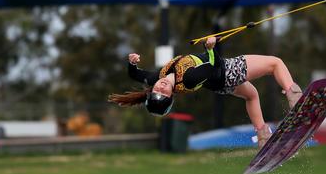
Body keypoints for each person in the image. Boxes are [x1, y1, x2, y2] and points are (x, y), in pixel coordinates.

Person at [108, 36, 303, 148]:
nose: (161, 87)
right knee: (275, 63)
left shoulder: (157, 77)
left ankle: (262, 135)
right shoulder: (189, 78)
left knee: (252, 95)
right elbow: (214, 65)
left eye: (157, 90)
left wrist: (132, 62)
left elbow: (135, 74)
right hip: (227, 72)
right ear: (171, 96)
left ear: (151, 90)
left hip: (219, 84)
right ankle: (294, 96)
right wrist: (210, 47)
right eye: (164, 93)